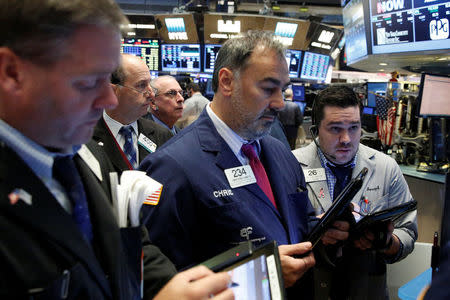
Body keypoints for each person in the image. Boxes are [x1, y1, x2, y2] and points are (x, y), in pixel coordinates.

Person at [0, 1, 233, 299]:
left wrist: (172, 286)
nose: (108, 101)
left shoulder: (78, 150)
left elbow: (128, 242)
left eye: (107, 79)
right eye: (87, 81)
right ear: (11, 73)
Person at [140, 30, 318, 297]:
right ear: (226, 81)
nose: (280, 102)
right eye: (269, 88)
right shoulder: (170, 166)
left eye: (283, 89)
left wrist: (326, 230)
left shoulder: (279, 152)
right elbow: (161, 282)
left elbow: (297, 223)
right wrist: (261, 276)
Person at [292, 86, 418, 300]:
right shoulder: (290, 164)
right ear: (315, 130)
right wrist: (314, 231)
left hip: (367, 288)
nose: (346, 139)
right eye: (335, 129)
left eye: (353, 127)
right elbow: (274, 234)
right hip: (309, 286)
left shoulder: (386, 167)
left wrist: (386, 242)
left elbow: (408, 231)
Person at [91, 54, 172, 174]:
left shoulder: (162, 135)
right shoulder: (84, 138)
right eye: (141, 85)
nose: (151, 94)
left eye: (149, 84)